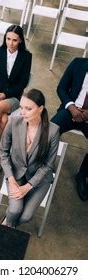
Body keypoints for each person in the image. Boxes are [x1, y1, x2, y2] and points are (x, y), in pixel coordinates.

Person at [0, 89, 60, 228]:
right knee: (15, 210)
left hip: (39, 179)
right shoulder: (13, 121)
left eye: (28, 108)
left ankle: (8, 224)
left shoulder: (53, 131)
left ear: (40, 109)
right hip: (16, 173)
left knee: (26, 217)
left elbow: (48, 165)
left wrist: (27, 187)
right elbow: (3, 151)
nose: (22, 112)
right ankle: (7, 225)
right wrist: (11, 179)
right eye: (21, 107)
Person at [0, 25, 32, 172]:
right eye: (8, 39)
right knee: (3, 120)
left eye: (15, 40)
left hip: (13, 97)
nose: (11, 43)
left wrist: (6, 94)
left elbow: (23, 83)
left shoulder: (26, 57)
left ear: (20, 40)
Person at [51, 57, 88, 201]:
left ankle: (82, 176)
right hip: (70, 109)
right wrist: (72, 107)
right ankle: (44, 166)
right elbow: (61, 88)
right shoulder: (78, 63)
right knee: (49, 130)